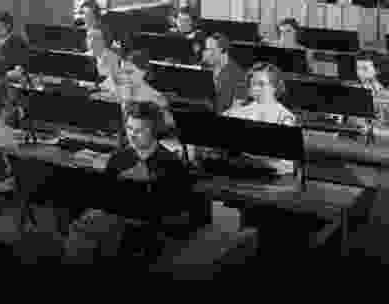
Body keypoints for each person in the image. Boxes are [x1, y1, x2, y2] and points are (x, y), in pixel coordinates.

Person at [64, 101, 208, 266]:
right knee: (82, 223)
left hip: (150, 226)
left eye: (139, 130)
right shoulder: (119, 158)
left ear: (154, 131)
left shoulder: (171, 164)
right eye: (129, 129)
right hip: (116, 219)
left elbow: (179, 211)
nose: (132, 135)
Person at [223, 62, 297, 175]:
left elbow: (288, 164)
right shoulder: (239, 111)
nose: (256, 88)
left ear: (274, 87)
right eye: (253, 84)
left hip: (269, 176)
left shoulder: (285, 117)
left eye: (262, 84)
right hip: (238, 170)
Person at [201, 32, 247, 113]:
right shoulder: (206, 68)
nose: (206, 54)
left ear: (222, 49)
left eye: (211, 50)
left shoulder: (238, 75)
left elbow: (238, 108)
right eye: (206, 49)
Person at [86, 28, 121, 92]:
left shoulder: (114, 58)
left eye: (96, 38)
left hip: (104, 93)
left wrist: (98, 87)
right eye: (89, 37)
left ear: (104, 41)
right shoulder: (84, 56)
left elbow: (116, 81)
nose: (92, 40)